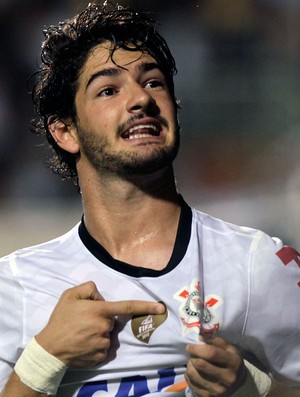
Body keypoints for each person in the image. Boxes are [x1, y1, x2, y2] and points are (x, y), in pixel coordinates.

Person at [0, 2, 299, 396]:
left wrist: (251, 388)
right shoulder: (14, 287)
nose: (141, 99)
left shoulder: (255, 265)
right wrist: (45, 358)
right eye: (108, 90)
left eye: (154, 82)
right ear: (65, 132)